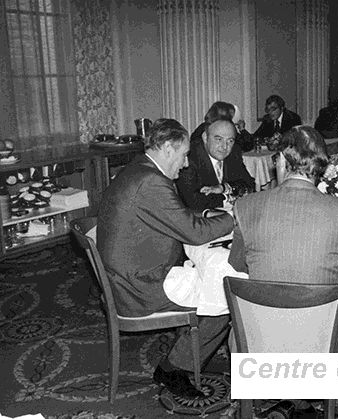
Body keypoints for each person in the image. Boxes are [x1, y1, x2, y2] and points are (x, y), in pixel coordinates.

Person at [97, 118, 234, 398]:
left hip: (130, 272)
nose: (185, 164)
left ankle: (188, 353)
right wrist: (234, 217)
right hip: (139, 285)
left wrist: (206, 214)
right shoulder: (152, 182)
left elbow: (175, 218)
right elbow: (194, 234)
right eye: (184, 155)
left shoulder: (139, 169)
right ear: (169, 148)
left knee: (212, 279)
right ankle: (173, 368)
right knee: (226, 293)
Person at [228, 125, 338, 352]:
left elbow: (238, 263)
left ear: (280, 160)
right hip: (323, 342)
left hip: (259, 339)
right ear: (323, 165)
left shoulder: (245, 207)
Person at [176, 119, 255, 210]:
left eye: (230, 141)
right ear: (205, 137)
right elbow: (192, 201)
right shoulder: (189, 158)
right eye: (219, 139)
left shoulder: (234, 153)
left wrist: (224, 187)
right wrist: (227, 199)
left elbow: (249, 185)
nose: (225, 147)